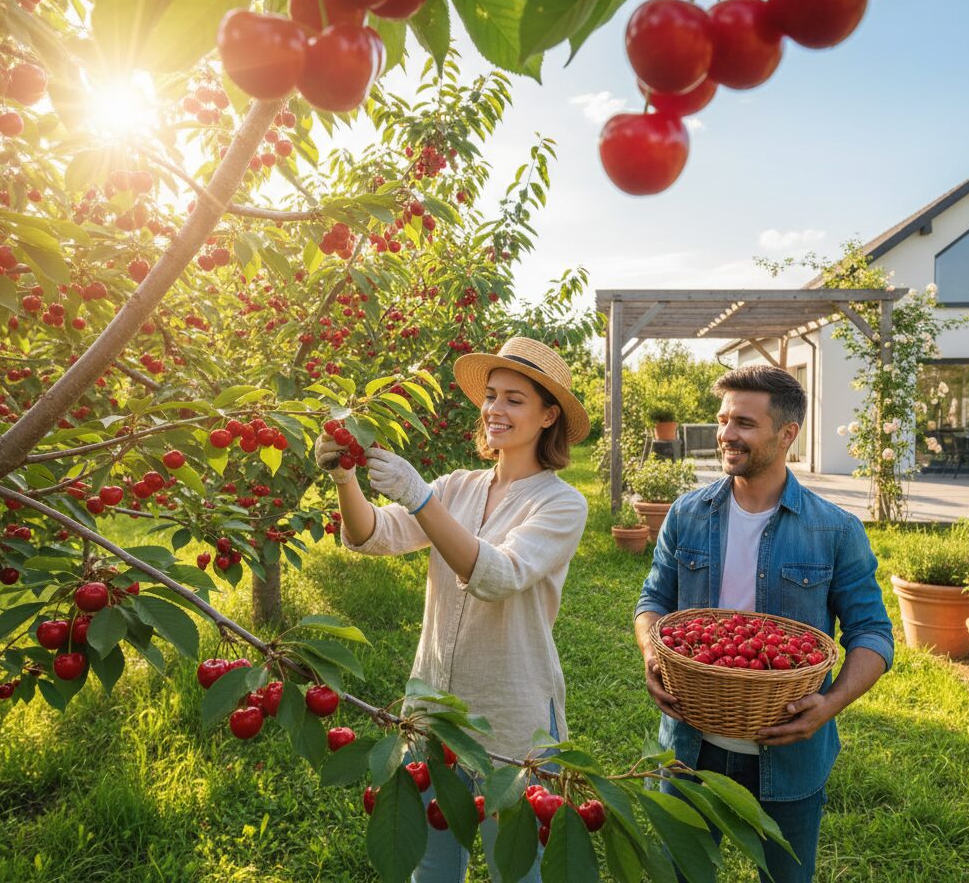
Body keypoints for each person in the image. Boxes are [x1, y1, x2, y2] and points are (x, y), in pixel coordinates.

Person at [315, 336, 589, 883]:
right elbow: (372, 534)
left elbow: (497, 575)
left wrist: (420, 497)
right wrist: (345, 477)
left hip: (513, 719)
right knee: (432, 865)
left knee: (518, 866)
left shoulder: (561, 503)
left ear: (547, 415)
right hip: (433, 713)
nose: (495, 409)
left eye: (515, 398)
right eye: (491, 396)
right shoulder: (457, 487)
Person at [634, 364, 894, 883]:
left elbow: (873, 633)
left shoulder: (834, 530)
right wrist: (651, 652)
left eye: (745, 423)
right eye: (723, 419)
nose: (727, 434)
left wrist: (827, 705)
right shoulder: (687, 514)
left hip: (789, 755)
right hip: (690, 744)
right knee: (682, 875)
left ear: (787, 433)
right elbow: (653, 601)